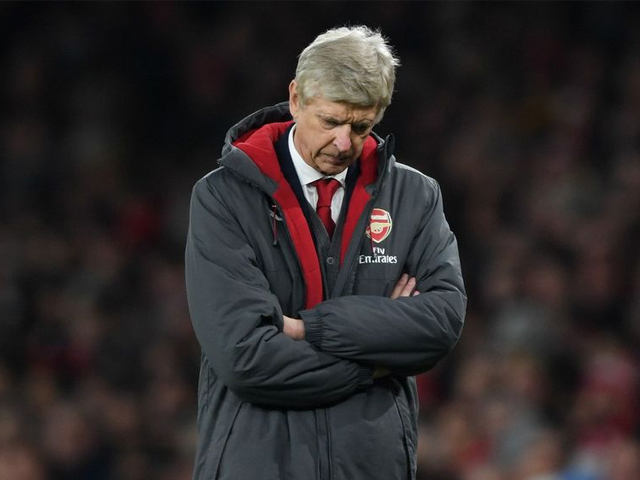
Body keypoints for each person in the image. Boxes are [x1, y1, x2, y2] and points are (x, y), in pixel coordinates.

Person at [185, 25, 466, 480]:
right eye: (331, 121)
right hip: (257, 465)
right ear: (296, 99)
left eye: (361, 126)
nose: (343, 144)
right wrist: (375, 362)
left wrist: (307, 328)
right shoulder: (222, 198)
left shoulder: (415, 196)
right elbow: (246, 358)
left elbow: (441, 321)